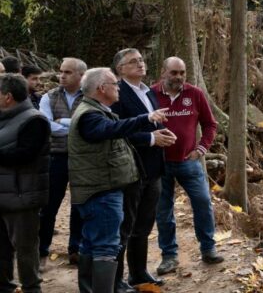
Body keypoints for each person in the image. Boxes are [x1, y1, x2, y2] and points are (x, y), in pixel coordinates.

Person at [69, 68, 167, 293]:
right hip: (101, 191)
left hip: (102, 189)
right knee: (104, 246)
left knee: (92, 243)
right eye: (115, 84)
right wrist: (146, 118)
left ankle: (90, 288)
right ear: (102, 88)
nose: (119, 87)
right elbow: (111, 129)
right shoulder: (90, 115)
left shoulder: (97, 111)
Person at [109, 49, 175, 289]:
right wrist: (150, 139)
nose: (140, 64)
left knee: (144, 225)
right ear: (120, 69)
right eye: (133, 62)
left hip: (154, 169)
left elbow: (153, 122)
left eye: (141, 60)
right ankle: (115, 280)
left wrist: (163, 134)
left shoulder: (149, 91)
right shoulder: (117, 93)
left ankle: (138, 273)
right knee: (125, 226)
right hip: (131, 170)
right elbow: (117, 131)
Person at [152, 57, 223, 275]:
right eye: (174, 73)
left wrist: (201, 149)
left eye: (182, 73)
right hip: (159, 163)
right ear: (163, 72)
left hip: (188, 162)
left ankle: (208, 248)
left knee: (203, 202)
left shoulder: (195, 94)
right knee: (163, 211)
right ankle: (169, 256)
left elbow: (210, 124)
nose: (179, 77)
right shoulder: (151, 95)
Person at [0, 74, 50, 293]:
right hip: (3, 194)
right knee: (1, 249)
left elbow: (25, 155)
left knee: (25, 250)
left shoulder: (35, 120)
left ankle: (31, 288)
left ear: (8, 97)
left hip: (22, 196)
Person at [38, 58, 86, 266]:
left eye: (67, 72)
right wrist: (76, 128)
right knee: (49, 204)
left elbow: (89, 124)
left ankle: (75, 248)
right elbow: (45, 125)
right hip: (56, 156)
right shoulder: (49, 96)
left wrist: (64, 123)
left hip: (82, 157)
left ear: (81, 76)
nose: (62, 76)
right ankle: (41, 247)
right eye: (61, 72)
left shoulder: (89, 96)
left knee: (80, 203)